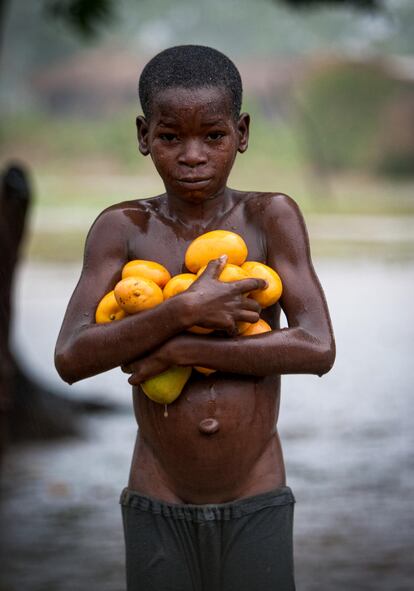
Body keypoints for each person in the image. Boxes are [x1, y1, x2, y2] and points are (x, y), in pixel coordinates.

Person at [55, 45, 335, 591]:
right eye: (169, 137)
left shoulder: (268, 217)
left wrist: (186, 349)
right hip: (157, 492)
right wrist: (183, 310)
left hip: (257, 490)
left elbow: (317, 346)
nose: (192, 155)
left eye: (213, 135)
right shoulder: (124, 228)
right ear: (143, 136)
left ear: (243, 133)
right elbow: (70, 357)